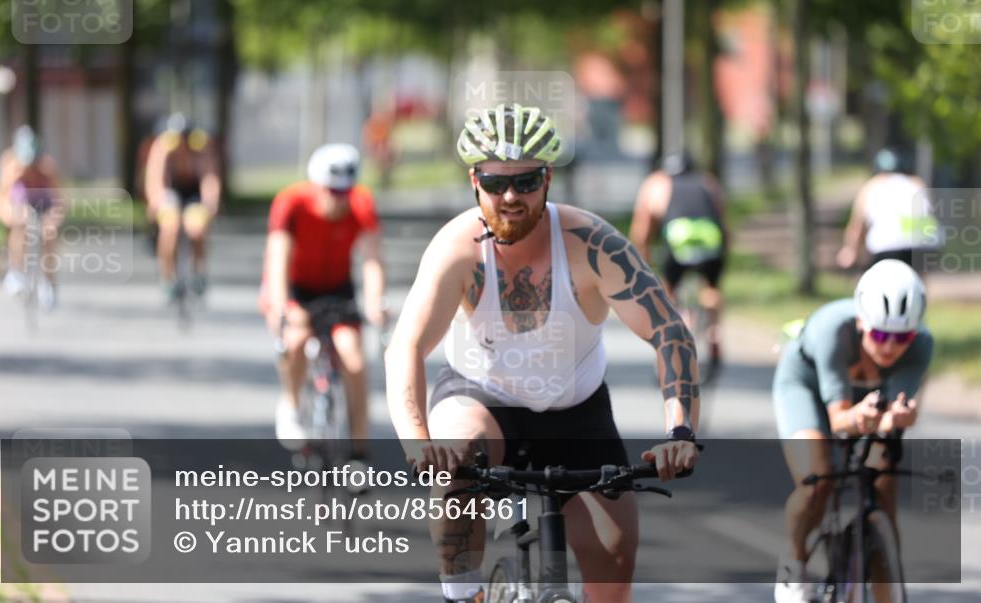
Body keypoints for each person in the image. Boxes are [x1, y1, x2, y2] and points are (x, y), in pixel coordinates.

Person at [385, 104, 701, 603]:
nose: (510, 196)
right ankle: (462, 595)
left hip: (575, 410)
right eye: (494, 183)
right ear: (474, 181)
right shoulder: (458, 249)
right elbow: (407, 345)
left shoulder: (592, 244)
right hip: (480, 400)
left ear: (548, 178)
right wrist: (417, 442)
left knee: (615, 562)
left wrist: (680, 431)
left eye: (527, 181)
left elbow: (669, 332)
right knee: (456, 463)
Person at [772, 259, 932, 603]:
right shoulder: (832, 329)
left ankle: (886, 588)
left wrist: (899, 418)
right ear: (861, 322)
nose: (891, 346)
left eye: (902, 337)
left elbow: (895, 409)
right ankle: (794, 562)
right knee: (818, 482)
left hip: (864, 401)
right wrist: (860, 419)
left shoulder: (922, 345)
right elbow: (839, 420)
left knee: (884, 489)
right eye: (880, 334)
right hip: (808, 388)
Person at [260, 143, 387, 455]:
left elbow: (372, 259)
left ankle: (359, 454)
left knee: (354, 359)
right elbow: (278, 258)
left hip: (338, 288)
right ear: (315, 185)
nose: (338, 200)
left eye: (344, 192)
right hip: (297, 288)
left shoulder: (361, 203)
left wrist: (375, 301)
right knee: (295, 340)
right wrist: (279, 306)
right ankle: (290, 404)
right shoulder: (291, 202)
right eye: (331, 191)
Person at [629, 152, 727, 375]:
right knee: (711, 289)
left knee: (668, 291)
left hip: (679, 236)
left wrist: (642, 262)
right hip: (710, 236)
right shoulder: (708, 182)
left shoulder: (656, 183)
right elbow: (722, 219)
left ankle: (668, 345)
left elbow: (642, 229)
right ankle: (714, 339)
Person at [143, 114, 221, 300]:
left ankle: (197, 271)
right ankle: (168, 277)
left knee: (197, 229)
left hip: (193, 194)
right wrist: (156, 202)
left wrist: (211, 202)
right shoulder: (163, 146)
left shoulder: (202, 147)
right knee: (169, 228)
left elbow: (210, 178)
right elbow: (155, 179)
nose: (182, 145)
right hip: (171, 192)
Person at [837, 147, 942, 272]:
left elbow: (857, 225)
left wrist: (850, 249)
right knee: (916, 281)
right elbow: (932, 214)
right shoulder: (917, 183)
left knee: (883, 282)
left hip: (887, 243)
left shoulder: (872, 185)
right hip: (924, 242)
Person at [0, 125, 64, 309]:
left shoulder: (46, 167)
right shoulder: (10, 164)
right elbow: (0, 199)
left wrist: (52, 221)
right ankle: (16, 272)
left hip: (43, 203)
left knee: (49, 236)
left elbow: (59, 201)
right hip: (20, 205)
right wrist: (10, 217)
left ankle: (49, 284)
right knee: (19, 229)